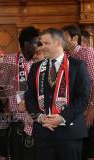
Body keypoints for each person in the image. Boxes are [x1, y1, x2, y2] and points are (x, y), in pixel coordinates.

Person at [26, 28, 91, 160]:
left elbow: (83, 98)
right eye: (40, 43)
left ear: (58, 43)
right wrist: (38, 117)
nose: (41, 47)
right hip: (43, 133)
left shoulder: (78, 66)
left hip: (70, 133)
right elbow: (29, 96)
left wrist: (62, 117)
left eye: (46, 43)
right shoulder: (35, 67)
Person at [5, 26, 40, 160]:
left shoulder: (40, 62)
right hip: (16, 121)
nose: (38, 46)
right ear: (26, 44)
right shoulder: (9, 60)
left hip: (35, 121)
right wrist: (6, 102)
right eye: (36, 43)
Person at [62, 25, 94, 160]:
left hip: (89, 111)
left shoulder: (87, 52)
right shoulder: (66, 57)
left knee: (90, 151)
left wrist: (92, 109)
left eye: (64, 38)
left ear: (75, 39)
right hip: (75, 113)